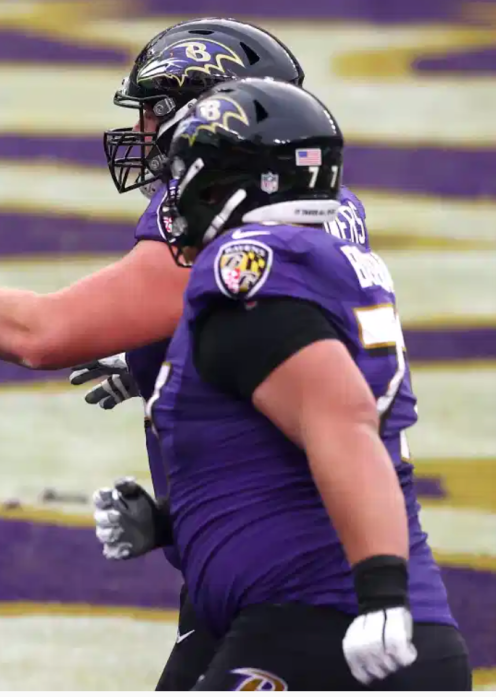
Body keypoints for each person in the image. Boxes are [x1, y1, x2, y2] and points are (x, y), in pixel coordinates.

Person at [0, 17, 365, 690]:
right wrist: (168, 370)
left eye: (156, 113)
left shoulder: (227, 226)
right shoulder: (323, 207)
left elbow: (43, 334)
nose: (143, 133)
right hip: (276, 547)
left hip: (296, 575)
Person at [147, 77, 469, 689]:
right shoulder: (330, 258)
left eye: (199, 184)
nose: (182, 202)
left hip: (324, 622)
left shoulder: (249, 266)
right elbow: (290, 454)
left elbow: (341, 421)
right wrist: (170, 520)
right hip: (367, 618)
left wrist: (380, 591)